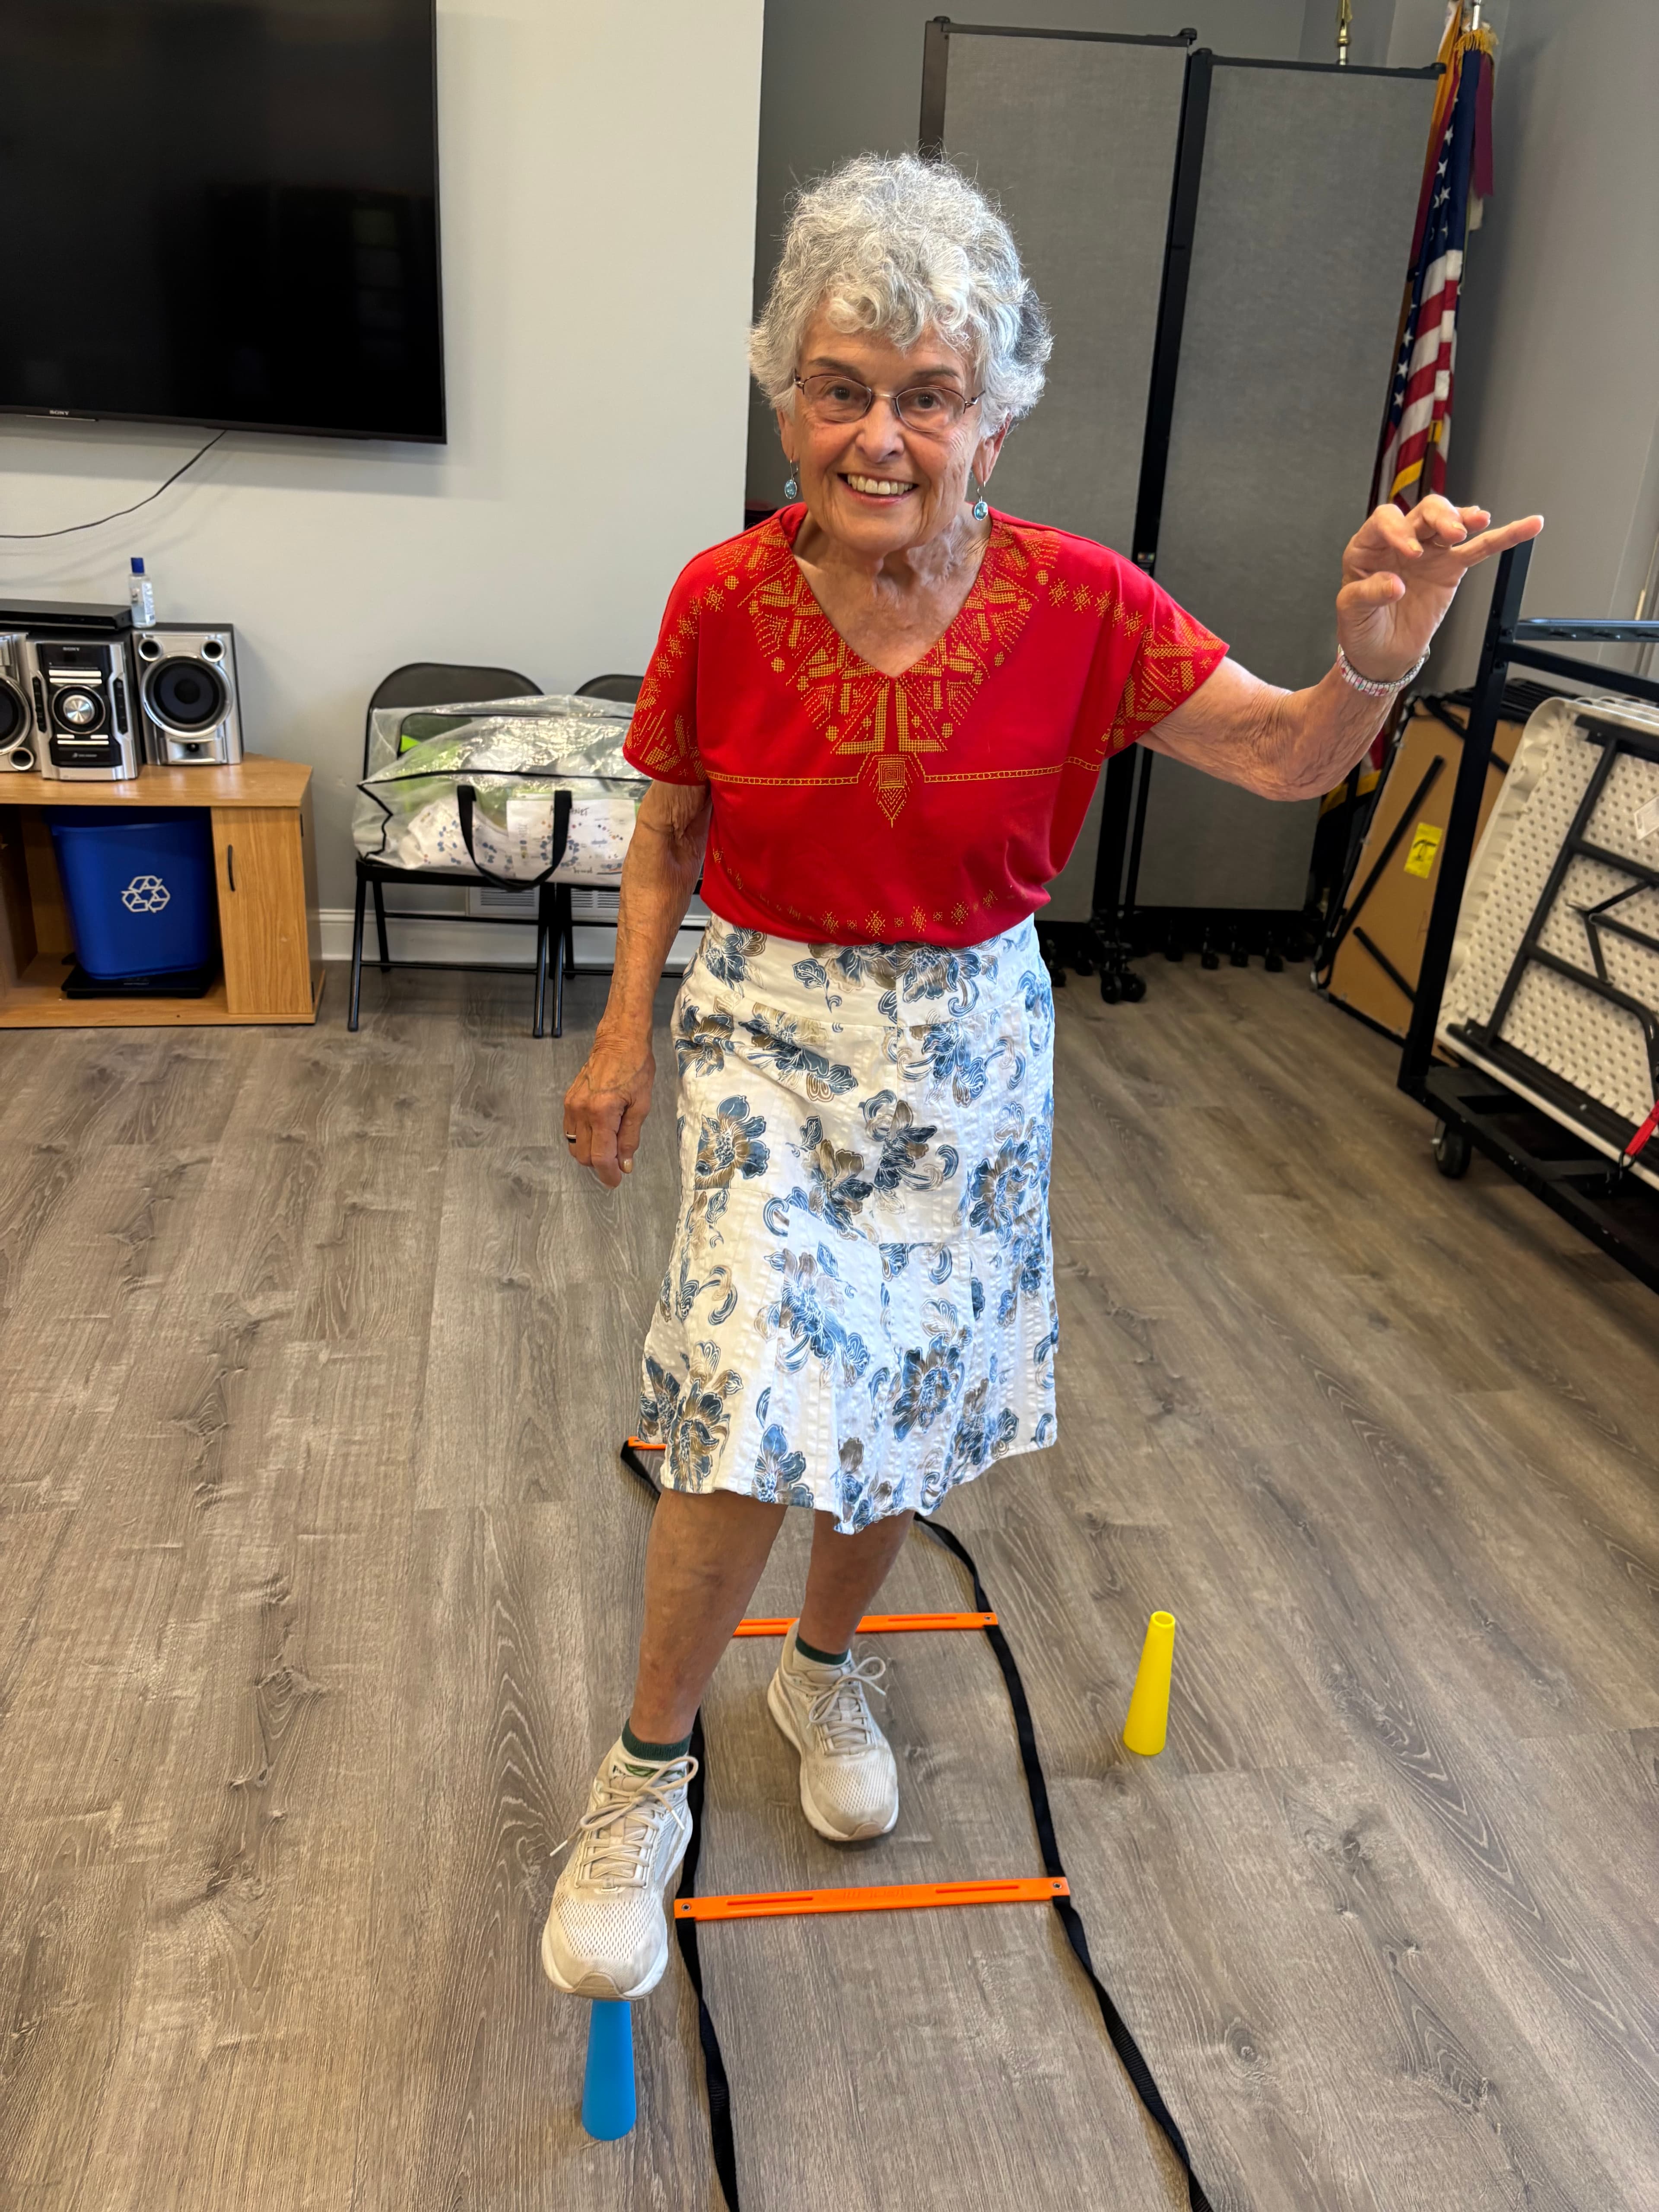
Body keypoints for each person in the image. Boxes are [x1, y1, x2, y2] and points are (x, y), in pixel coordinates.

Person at [540, 153, 1541, 2002]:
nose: (881, 434)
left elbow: (1291, 754)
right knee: (757, 1379)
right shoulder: (722, 599)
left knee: (900, 1401)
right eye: (842, 386)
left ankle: (825, 1669)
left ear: (996, 418)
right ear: (787, 401)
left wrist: (1375, 663)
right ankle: (643, 1769)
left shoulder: (1084, 605)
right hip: (768, 1016)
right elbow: (666, 823)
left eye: (929, 392)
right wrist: (621, 1031)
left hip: (973, 1039)